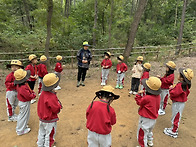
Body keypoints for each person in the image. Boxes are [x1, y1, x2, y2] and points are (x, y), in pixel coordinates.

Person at [164, 68, 194, 138]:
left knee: (175, 117)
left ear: (182, 78)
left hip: (178, 103)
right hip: (180, 103)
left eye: (179, 74)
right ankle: (173, 128)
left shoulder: (180, 85)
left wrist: (171, 88)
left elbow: (174, 93)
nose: (177, 75)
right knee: (176, 116)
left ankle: (174, 131)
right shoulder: (185, 85)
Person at [37, 73, 62, 147]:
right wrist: (59, 106)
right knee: (50, 134)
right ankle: (49, 145)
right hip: (49, 119)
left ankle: (40, 144)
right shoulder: (51, 97)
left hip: (42, 118)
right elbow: (56, 109)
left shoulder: (43, 93)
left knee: (41, 132)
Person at [135, 77, 161, 147]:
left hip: (146, 118)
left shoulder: (147, 98)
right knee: (149, 131)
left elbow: (140, 102)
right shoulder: (158, 96)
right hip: (153, 118)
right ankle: (150, 141)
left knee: (142, 133)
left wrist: (138, 95)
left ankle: (143, 145)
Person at [14, 69, 36, 135]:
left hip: (23, 102)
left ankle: (22, 127)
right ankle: (20, 130)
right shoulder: (22, 87)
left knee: (24, 115)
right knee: (23, 116)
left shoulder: (21, 85)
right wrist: (33, 95)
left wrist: (32, 93)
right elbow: (28, 96)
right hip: (24, 103)